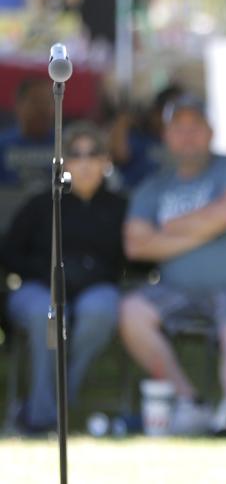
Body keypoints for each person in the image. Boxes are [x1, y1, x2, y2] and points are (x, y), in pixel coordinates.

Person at [118, 94, 226, 436]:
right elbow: (136, 245)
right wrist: (210, 228)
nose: (187, 135)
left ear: (210, 132)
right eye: (179, 128)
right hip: (178, 289)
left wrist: (170, 228)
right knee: (132, 312)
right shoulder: (153, 187)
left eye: (196, 127)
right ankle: (189, 403)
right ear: (166, 135)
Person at [1, 123, 126, 433]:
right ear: (63, 162)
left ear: (106, 161)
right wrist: (46, 275)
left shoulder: (121, 208)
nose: (84, 162)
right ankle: (44, 417)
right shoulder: (41, 204)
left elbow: (134, 259)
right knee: (51, 314)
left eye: (93, 154)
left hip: (97, 290)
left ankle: (51, 402)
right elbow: (10, 254)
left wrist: (87, 274)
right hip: (39, 288)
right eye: (75, 154)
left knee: (100, 311)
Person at [0, 76, 55, 187]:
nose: (42, 109)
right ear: (19, 105)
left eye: (47, 102)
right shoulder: (3, 146)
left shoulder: (64, 145)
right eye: (36, 101)